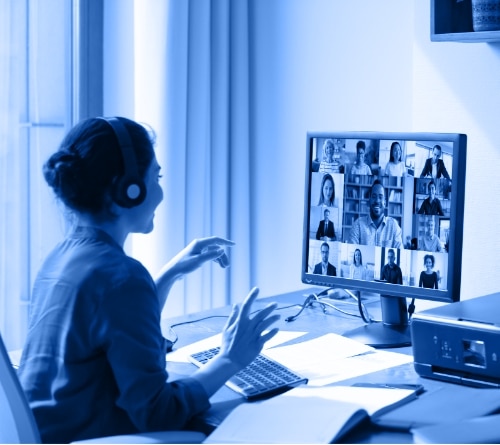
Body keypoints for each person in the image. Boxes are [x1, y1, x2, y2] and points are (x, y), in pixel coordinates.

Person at [17, 117, 280, 443]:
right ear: (128, 188)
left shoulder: (61, 257)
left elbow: (106, 326)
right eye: (156, 176)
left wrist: (170, 274)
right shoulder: (121, 278)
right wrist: (230, 359)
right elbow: (158, 413)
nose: (160, 191)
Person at [348, 179, 403, 248]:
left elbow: (400, 254)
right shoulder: (358, 225)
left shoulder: (393, 226)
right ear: (369, 200)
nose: (377, 201)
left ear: (385, 203)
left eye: (380, 197)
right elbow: (352, 254)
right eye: (374, 196)